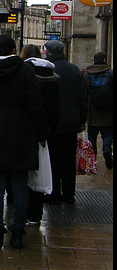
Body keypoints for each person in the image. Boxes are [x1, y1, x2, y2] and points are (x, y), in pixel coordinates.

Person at [0, 35, 48, 249]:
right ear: (14, 49)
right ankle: (17, 233)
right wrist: (41, 133)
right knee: (20, 186)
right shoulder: (25, 70)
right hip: (21, 132)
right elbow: (36, 104)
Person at [43, 40, 88, 205]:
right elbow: (83, 98)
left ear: (47, 53)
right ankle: (69, 194)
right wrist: (81, 120)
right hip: (71, 122)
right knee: (69, 160)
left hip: (53, 123)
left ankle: (54, 193)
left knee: (53, 159)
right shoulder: (74, 70)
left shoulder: (47, 70)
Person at [20, 44, 61, 226]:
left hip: (24, 130)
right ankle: (35, 215)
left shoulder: (23, 72)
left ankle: (21, 212)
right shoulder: (52, 75)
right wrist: (48, 130)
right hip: (45, 133)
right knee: (38, 173)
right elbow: (55, 107)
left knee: (22, 173)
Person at [83, 52, 113, 169]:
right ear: (105, 59)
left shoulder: (87, 74)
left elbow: (84, 93)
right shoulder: (110, 73)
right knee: (107, 134)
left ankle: (93, 158)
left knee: (92, 136)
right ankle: (106, 148)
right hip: (108, 111)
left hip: (93, 112)